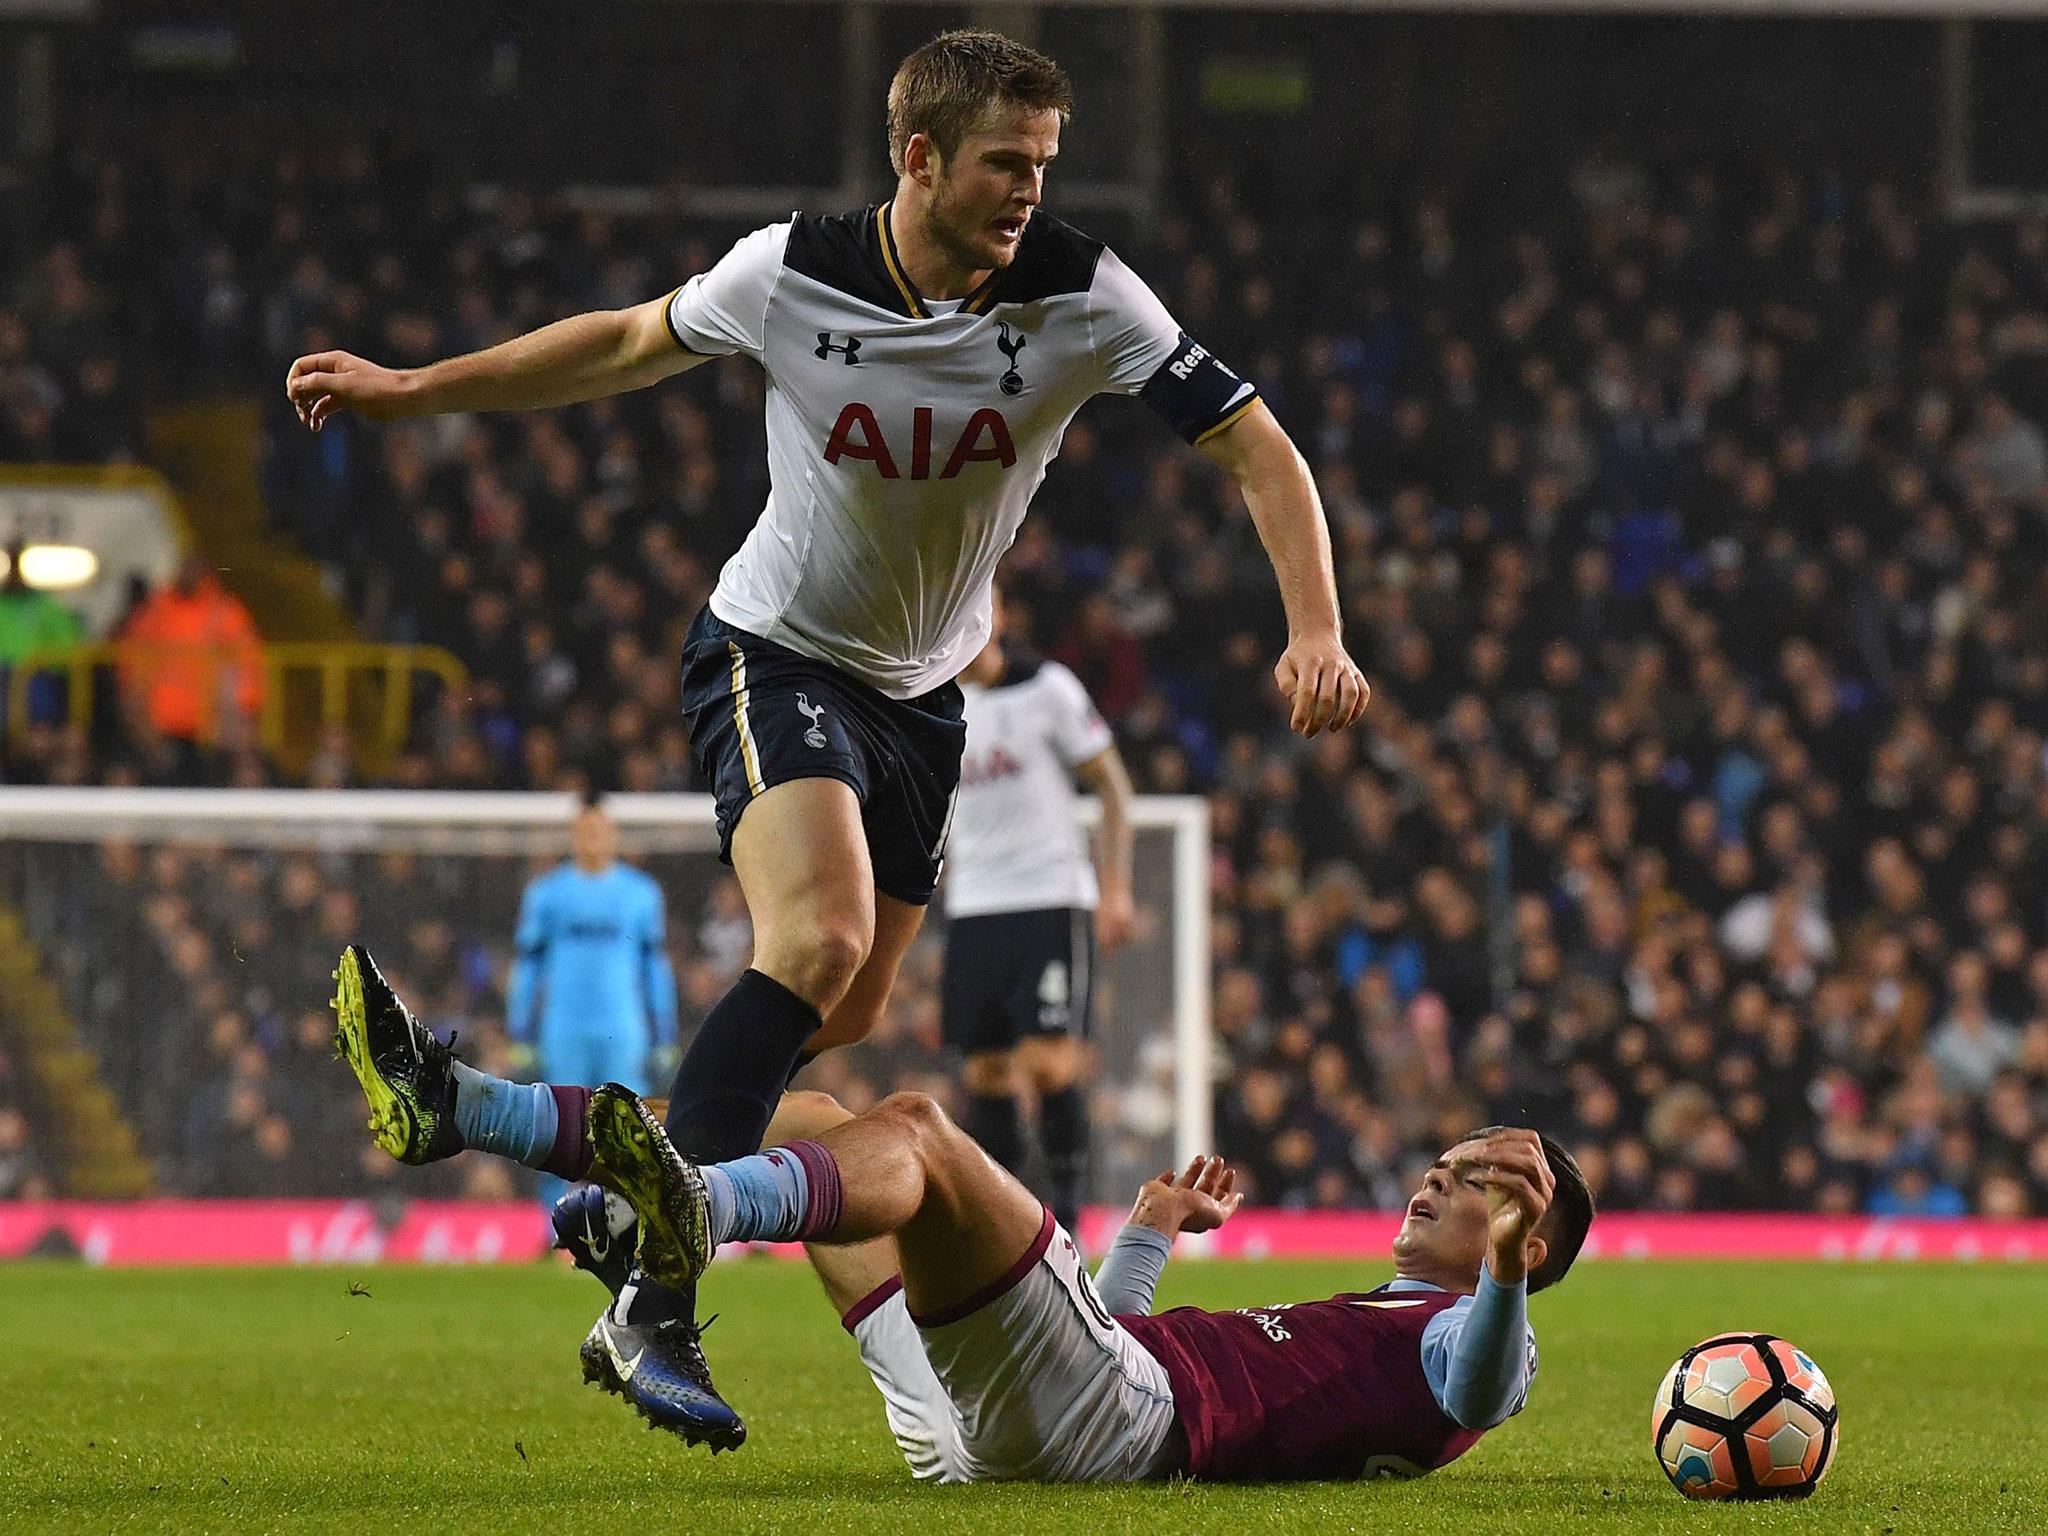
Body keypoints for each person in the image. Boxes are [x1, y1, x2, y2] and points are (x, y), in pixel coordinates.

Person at [302, 29, 1369, 1451]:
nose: (1027, 197)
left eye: (1044, 169)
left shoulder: (1084, 293)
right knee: (812, 945)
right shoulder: (789, 270)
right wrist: (418, 388)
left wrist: (1317, 626)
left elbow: (1254, 440)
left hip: (922, 704)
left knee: (839, 1025)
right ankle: (654, 1307)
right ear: (918, 157)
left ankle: (471, 1107)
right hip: (773, 652)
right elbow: (623, 342)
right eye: (1004, 166)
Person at [329, 945, 1591, 1483]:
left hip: (1106, 1424)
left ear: (1521, 1241)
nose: (1437, 1179)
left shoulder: (1462, 1335)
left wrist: (1498, 1275)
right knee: (821, 1116)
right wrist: (1147, 1232)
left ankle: (692, 1211)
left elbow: (1481, 1392)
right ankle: (461, 1106)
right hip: (1016, 1425)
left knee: (923, 1131)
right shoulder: (1390, 1318)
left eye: (1474, 1181)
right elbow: (1109, 1334)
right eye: (1449, 1164)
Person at [942, 593, 1134, 1238]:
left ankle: (1072, 1220)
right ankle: (1009, 1229)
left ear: (999, 615)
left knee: (1051, 1063)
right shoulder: (930, 701)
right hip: (973, 905)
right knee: (986, 1073)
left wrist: (1116, 890)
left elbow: (1112, 785)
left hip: (1049, 898)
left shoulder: (1047, 688)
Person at [506, 794, 679, 1214]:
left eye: (600, 830)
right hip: (563, 1029)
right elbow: (528, 967)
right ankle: (558, 1228)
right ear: (573, 835)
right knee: (562, 1132)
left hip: (623, 1029)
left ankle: (629, 1226)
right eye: (585, 830)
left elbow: (654, 967)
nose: (593, 838)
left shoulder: (640, 893)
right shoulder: (547, 894)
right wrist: (520, 1031)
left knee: (628, 1134)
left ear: (613, 835)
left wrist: (665, 1034)